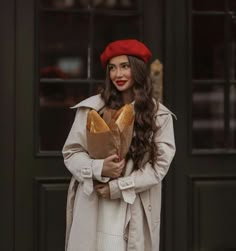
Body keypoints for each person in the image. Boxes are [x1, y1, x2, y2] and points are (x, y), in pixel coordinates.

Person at [62, 39, 176, 251]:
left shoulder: (159, 115)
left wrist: (117, 187)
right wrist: (99, 168)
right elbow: (72, 152)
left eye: (125, 66)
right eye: (112, 68)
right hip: (94, 201)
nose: (118, 74)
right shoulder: (91, 109)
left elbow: (159, 167)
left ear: (138, 69)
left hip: (133, 203)